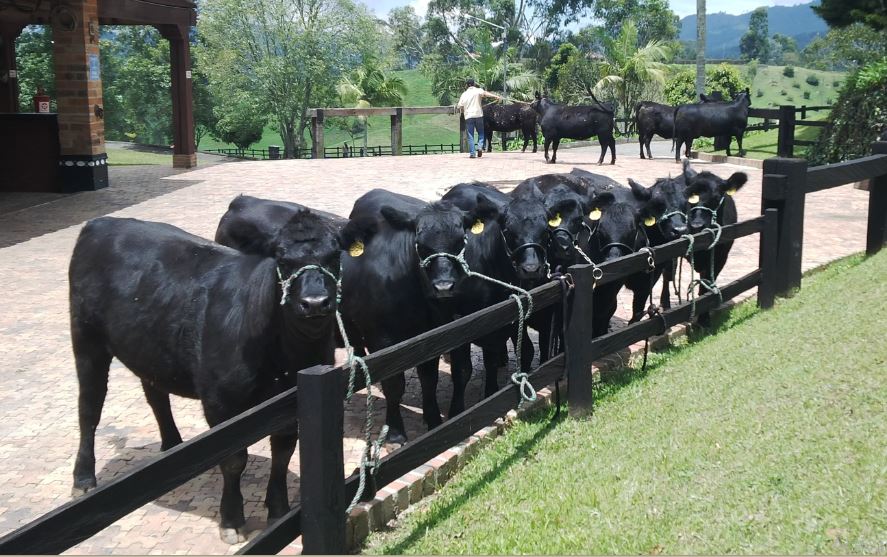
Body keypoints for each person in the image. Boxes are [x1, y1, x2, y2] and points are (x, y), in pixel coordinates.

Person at [456, 78, 502, 159]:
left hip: (469, 116)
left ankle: (472, 153)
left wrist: (464, 109)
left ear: (466, 85)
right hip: (478, 115)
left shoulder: (464, 94)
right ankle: (480, 147)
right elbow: (485, 93)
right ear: (474, 84)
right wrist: (496, 96)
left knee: (470, 135)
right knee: (481, 132)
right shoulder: (478, 90)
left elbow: (460, 106)